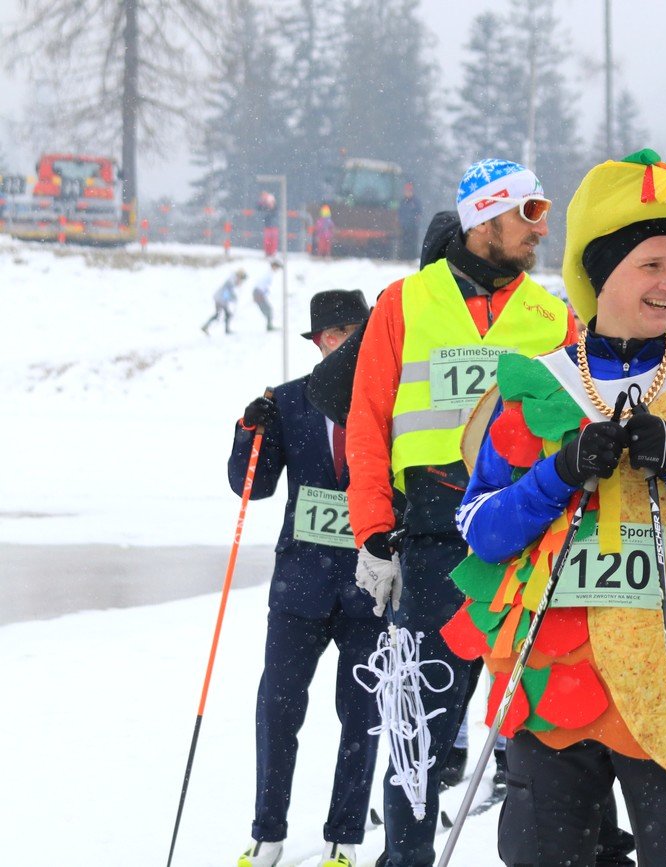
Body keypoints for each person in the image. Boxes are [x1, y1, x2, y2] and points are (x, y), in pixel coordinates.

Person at [446, 149, 666, 866]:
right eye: (651, 265)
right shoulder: (538, 385)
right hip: (556, 675)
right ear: (602, 272)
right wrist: (560, 473)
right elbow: (481, 530)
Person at [346, 157, 578, 867]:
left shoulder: (552, 315)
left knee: (543, 721)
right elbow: (367, 422)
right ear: (484, 217)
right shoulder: (404, 302)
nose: (541, 229)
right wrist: (372, 533)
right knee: (416, 723)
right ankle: (407, 857)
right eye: (528, 214)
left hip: (528, 539)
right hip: (431, 537)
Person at [231, 289, 380, 867]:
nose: (345, 344)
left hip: (369, 585)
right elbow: (252, 485)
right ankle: (267, 833)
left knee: (362, 715)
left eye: (355, 333)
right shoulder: (291, 400)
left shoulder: (389, 397)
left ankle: (344, 838)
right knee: (277, 710)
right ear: (319, 343)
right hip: (300, 586)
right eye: (335, 335)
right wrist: (250, 430)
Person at [203, 268, 246, 335]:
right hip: (220, 300)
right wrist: (233, 298)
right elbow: (226, 293)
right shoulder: (231, 282)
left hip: (220, 299)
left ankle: (206, 327)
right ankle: (206, 327)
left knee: (222, 314)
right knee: (223, 314)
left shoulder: (232, 280)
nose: (241, 281)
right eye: (241, 279)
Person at [251, 259, 281, 331]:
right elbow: (261, 285)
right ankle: (269, 326)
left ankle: (269, 325)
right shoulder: (268, 274)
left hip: (259, 293)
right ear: (273, 266)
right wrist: (259, 294)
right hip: (259, 293)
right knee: (268, 309)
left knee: (268, 309)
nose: (277, 269)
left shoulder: (269, 274)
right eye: (277, 267)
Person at [398, 182, 423, 260]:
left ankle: (412, 257)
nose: (407, 193)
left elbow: (419, 213)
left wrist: (415, 220)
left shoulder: (416, 202)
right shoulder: (402, 202)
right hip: (404, 226)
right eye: (406, 191)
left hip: (413, 226)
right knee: (404, 242)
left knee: (413, 242)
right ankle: (404, 256)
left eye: (409, 191)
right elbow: (400, 212)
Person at [258, 191, 280, 258]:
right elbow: (259, 207)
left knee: (273, 240)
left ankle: (272, 253)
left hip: (273, 226)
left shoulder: (274, 208)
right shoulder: (264, 206)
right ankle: (268, 253)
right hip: (268, 226)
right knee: (267, 240)